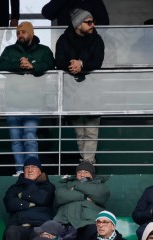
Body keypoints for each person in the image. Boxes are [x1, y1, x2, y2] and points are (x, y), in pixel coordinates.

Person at [0, 22, 54, 175]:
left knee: (30, 138)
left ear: (31, 33)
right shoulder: (10, 50)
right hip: (12, 101)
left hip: (33, 101)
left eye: (23, 32)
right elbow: (1, 65)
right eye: (18, 32)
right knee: (16, 140)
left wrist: (33, 66)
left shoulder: (43, 50)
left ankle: (32, 171)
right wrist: (19, 65)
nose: (20, 35)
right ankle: (19, 171)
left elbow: (50, 64)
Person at [55, 9, 105, 164]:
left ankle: (87, 163)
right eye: (88, 22)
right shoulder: (63, 39)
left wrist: (81, 64)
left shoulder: (97, 39)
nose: (92, 25)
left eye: (93, 22)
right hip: (73, 92)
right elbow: (59, 61)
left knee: (91, 131)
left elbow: (97, 61)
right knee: (80, 132)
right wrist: (73, 66)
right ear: (78, 24)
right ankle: (86, 162)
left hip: (92, 91)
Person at [2, 156, 56, 240]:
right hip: (18, 225)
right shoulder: (15, 187)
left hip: (39, 226)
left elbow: (43, 199)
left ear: (40, 171)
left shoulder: (48, 186)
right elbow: (9, 204)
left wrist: (25, 190)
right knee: (11, 231)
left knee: (41, 238)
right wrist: (31, 203)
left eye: (33, 167)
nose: (30, 170)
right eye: (27, 167)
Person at [54, 161, 110, 240]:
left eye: (86, 172)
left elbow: (100, 195)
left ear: (92, 175)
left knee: (97, 236)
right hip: (65, 222)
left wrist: (76, 186)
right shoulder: (66, 183)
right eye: (79, 172)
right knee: (50, 235)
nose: (82, 174)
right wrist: (84, 197)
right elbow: (60, 196)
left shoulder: (99, 185)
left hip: (89, 222)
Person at [42, 0, 109, 27]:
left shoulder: (93, 1)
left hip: (87, 43)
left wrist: (90, 33)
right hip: (66, 42)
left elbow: (104, 22)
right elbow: (47, 13)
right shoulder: (63, 2)